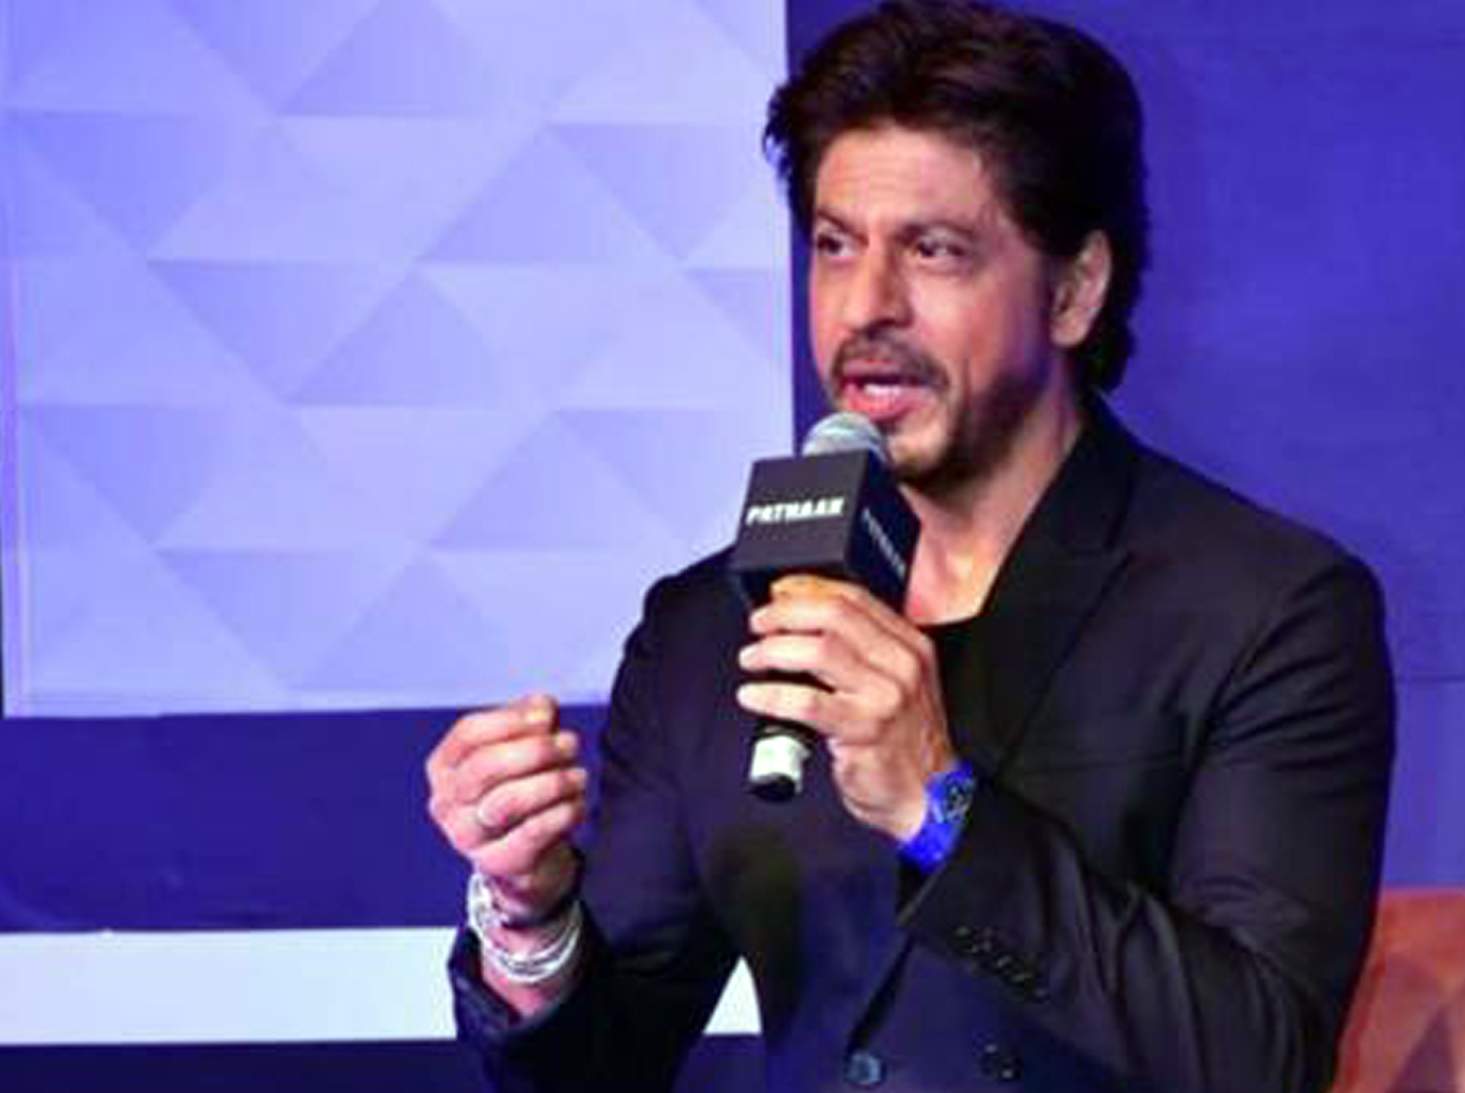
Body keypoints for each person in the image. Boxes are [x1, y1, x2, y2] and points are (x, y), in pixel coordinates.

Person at [423, 2, 1395, 1090]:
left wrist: (941, 807)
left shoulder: (1262, 608)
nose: (865, 308)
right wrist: (532, 911)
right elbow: (594, 1070)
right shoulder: (712, 627)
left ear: (1074, 291)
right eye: (834, 245)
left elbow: (1261, 1058)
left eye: (933, 251)